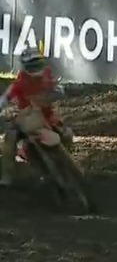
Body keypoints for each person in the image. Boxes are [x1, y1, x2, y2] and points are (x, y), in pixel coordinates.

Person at [0, 47, 73, 187]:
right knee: (10, 137)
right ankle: (6, 175)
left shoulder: (47, 75)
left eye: (37, 63)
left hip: (45, 116)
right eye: (32, 64)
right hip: (23, 119)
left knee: (67, 134)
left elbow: (60, 91)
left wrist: (54, 93)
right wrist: (5, 111)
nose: (35, 67)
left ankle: (65, 165)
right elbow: (4, 99)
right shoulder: (20, 83)